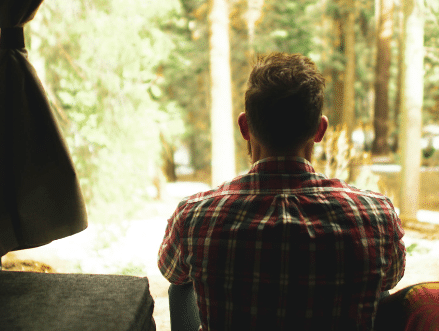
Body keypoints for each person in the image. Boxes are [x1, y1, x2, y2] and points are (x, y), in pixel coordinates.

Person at [158, 52, 406, 331]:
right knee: (378, 287)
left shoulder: (195, 215)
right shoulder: (376, 214)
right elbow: (392, 277)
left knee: (181, 287)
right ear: (320, 130)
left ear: (244, 127)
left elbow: (171, 271)